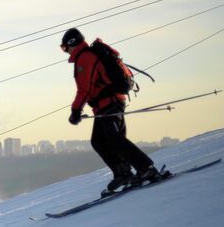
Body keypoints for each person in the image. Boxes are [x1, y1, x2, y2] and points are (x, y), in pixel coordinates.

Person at [61, 28, 160, 193]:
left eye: (64, 47)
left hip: (110, 103)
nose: (64, 51)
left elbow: (84, 89)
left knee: (115, 139)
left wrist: (75, 111)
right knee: (99, 141)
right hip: (103, 106)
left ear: (72, 43)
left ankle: (146, 169)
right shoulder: (85, 56)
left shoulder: (84, 58)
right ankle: (123, 172)